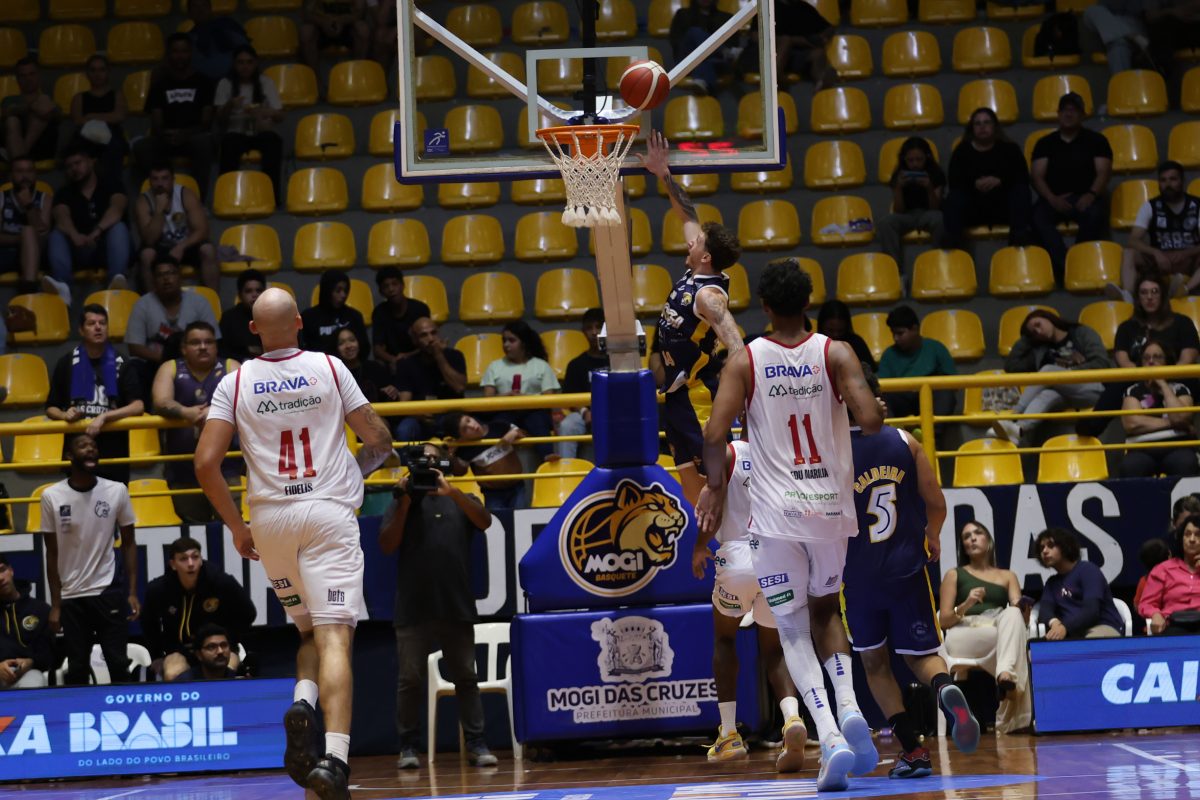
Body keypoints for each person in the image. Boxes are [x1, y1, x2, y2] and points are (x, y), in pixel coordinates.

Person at [195, 288, 394, 799]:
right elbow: (378, 439)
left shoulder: (234, 382)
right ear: (300, 322)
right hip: (327, 513)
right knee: (335, 638)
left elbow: (205, 464)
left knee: (307, 632)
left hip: (270, 521)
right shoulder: (329, 367)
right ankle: (336, 760)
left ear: (253, 330)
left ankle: (303, 700)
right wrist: (358, 470)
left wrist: (237, 526)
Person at [697, 260, 884, 792]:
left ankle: (830, 734)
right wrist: (860, 406)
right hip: (830, 509)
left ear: (764, 305)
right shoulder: (835, 351)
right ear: (808, 302)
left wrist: (716, 485)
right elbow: (871, 421)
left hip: (776, 517)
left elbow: (713, 434)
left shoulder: (746, 360)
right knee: (827, 612)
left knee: (792, 629)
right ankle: (850, 707)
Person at [844, 369, 980, 776]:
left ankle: (914, 750)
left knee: (874, 663)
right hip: (907, 567)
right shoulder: (907, 441)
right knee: (922, 656)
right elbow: (936, 504)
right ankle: (945, 687)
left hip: (857, 574)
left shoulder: (831, 451)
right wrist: (933, 535)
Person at [379, 442, 499, 769]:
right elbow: (386, 544)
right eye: (424, 459)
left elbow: (485, 522)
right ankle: (408, 747)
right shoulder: (402, 501)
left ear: (444, 465)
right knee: (410, 681)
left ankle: (476, 743)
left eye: (435, 459)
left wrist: (453, 493)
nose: (429, 464)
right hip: (413, 606)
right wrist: (405, 501)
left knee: (466, 677)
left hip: (455, 603)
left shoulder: (462, 497)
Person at [691, 437, 806, 771]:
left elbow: (711, 505)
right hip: (777, 556)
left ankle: (728, 733)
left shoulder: (730, 452)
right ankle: (792, 718)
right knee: (775, 649)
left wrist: (699, 547)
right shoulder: (783, 451)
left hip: (738, 556)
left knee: (725, 639)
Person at [642, 130, 744, 505]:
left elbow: (737, 346)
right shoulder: (696, 271)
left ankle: (734, 538)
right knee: (690, 486)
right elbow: (687, 213)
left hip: (699, 396)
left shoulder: (708, 295)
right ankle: (704, 539)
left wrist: (739, 395)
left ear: (706, 257)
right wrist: (663, 173)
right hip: (676, 397)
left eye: (698, 242)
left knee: (717, 487)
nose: (691, 241)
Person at [41, 433, 139, 686]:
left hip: (108, 590)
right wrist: (56, 604)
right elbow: (51, 553)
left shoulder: (116, 490)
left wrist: (131, 592)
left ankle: (123, 709)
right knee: (77, 668)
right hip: (71, 595)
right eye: (83, 446)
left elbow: (128, 542)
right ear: (69, 456)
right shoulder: (51, 496)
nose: (90, 449)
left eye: (94, 446)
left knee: (118, 663)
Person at [939, 521, 1033, 734]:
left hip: (998, 633)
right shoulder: (954, 574)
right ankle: (1013, 714)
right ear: (963, 547)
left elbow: (1018, 614)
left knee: (1012, 613)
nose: (972, 538)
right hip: (964, 633)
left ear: (988, 540)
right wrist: (966, 604)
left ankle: (1005, 675)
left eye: (977, 533)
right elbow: (943, 621)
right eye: (966, 536)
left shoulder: (1008, 576)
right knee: (1017, 650)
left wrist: (1024, 613)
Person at [1081, 273, 1200, 437]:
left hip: (1175, 376)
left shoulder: (1182, 323)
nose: (1149, 297)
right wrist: (1146, 375)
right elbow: (1123, 361)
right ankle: (1091, 428)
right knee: (1116, 385)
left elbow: (1188, 358)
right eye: (1144, 292)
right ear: (1138, 298)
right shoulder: (1127, 327)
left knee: (1192, 380)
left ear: (1162, 295)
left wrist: (1163, 376)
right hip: (1138, 377)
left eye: (1154, 291)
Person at [46, 305, 145, 485]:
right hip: (77, 453)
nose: (98, 327)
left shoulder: (123, 362)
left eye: (102, 323)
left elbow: (138, 406)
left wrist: (105, 416)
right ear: (81, 330)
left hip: (113, 454)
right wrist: (64, 415)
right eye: (91, 323)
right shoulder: (66, 362)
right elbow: (51, 407)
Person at [152, 321, 241, 521]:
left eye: (208, 342)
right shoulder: (171, 367)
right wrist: (185, 412)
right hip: (183, 467)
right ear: (184, 348)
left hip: (226, 466)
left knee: (231, 524)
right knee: (193, 527)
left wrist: (215, 411)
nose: (203, 347)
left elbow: (245, 400)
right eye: (195, 342)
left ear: (216, 346)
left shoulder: (231, 366)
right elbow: (161, 401)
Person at [142, 537, 256, 680]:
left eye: (195, 557)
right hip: (180, 650)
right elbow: (148, 623)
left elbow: (248, 613)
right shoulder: (159, 589)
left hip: (218, 647)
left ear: (201, 560)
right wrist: (157, 656)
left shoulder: (221, 582)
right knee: (172, 673)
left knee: (226, 671)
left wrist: (230, 640)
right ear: (173, 564)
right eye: (183, 559)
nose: (191, 564)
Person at [1030, 92, 1113, 285]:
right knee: (1037, 217)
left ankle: (1077, 261)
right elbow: (1037, 176)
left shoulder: (1097, 141)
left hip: (1084, 197)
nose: (1068, 114)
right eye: (1064, 110)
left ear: (1082, 115)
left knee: (1094, 215)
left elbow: (1103, 172)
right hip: (1053, 198)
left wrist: (1090, 195)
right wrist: (1052, 199)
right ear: (1058, 114)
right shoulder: (1045, 143)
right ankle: (1066, 266)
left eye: (1074, 110)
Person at [1002, 309, 1110, 444]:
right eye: (1034, 333)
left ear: (1048, 317)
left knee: (1048, 370)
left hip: (1092, 388)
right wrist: (1027, 338)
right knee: (1047, 394)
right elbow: (1011, 366)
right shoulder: (1041, 350)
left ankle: (1013, 416)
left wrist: (1069, 372)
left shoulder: (1081, 333)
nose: (1039, 331)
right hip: (1064, 395)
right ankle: (1018, 429)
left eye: (1038, 324)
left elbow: (1102, 363)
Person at [135, 34, 215, 202]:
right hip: (166, 137)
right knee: (142, 147)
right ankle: (154, 199)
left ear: (191, 53)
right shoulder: (159, 84)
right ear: (169, 54)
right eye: (175, 51)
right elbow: (156, 122)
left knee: (204, 143)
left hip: (193, 136)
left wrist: (186, 134)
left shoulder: (204, 82)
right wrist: (166, 134)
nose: (180, 56)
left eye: (184, 51)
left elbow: (206, 122)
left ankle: (197, 201)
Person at [1108, 161, 1200, 303]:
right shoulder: (1150, 206)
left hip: (1189, 260)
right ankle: (1128, 295)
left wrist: (1185, 253)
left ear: (1182, 181)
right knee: (1129, 252)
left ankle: (1185, 289)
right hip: (1161, 261)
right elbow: (1133, 240)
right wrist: (1156, 253)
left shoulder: (1197, 205)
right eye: (1163, 180)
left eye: (1173, 179)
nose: (1168, 184)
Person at [944, 107, 1033, 249]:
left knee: (1021, 191)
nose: (982, 127)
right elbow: (954, 181)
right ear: (972, 128)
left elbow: (1022, 177)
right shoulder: (962, 151)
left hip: (1003, 206)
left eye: (986, 122)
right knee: (954, 198)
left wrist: (999, 181)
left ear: (994, 126)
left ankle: (1019, 243)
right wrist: (974, 184)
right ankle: (953, 248)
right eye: (977, 123)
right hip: (973, 207)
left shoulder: (1010, 149)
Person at [49, 141, 130, 287]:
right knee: (56, 234)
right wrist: (74, 235)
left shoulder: (112, 184)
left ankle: (116, 284)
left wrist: (97, 231)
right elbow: (61, 216)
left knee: (119, 228)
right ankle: (62, 287)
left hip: (107, 247)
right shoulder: (63, 193)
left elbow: (117, 209)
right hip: (79, 248)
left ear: (91, 162)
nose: (74, 169)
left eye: (78, 163)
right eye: (69, 166)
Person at [215, 45, 285, 207]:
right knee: (229, 144)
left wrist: (264, 112)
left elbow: (280, 115)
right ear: (234, 64)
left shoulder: (266, 82)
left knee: (273, 141)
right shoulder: (225, 83)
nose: (245, 66)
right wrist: (230, 105)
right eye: (240, 62)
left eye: (249, 62)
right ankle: (227, 198)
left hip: (260, 131)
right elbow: (219, 119)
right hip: (235, 132)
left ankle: (272, 197)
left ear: (255, 63)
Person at [1119, 339, 1199, 478]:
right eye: (1146, 358)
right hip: (1141, 448)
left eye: (1157, 357)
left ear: (1166, 362)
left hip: (1177, 447)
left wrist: (1163, 385)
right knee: (1130, 466)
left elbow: (1181, 417)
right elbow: (1132, 423)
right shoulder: (1133, 391)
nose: (1151, 362)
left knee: (1187, 463)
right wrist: (1173, 423)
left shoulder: (1180, 389)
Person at [481, 320, 560, 461]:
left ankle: (548, 455)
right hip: (505, 411)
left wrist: (525, 399)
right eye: (504, 340)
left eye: (511, 340)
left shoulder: (541, 365)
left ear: (523, 342)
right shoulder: (494, 366)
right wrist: (507, 396)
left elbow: (549, 398)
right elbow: (487, 400)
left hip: (534, 411)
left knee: (538, 420)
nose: (506, 345)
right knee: (499, 422)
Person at [134, 162, 219, 291]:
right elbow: (149, 240)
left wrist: (181, 247)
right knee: (146, 255)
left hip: (186, 245)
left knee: (208, 249)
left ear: (172, 179)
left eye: (165, 178)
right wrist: (159, 211)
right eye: (155, 179)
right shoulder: (143, 201)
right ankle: (151, 301)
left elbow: (203, 230)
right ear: (149, 181)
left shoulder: (185, 194)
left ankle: (213, 299)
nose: (160, 184)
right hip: (160, 248)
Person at [127, 256, 221, 366]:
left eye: (171, 273)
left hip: (196, 363)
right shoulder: (142, 304)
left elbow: (214, 339)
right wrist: (168, 361)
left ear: (180, 277)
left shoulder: (199, 302)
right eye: (160, 275)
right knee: (134, 365)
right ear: (153, 280)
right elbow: (134, 347)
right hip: (155, 364)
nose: (166, 278)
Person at [1036, 527, 1125, 639]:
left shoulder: (1088, 570)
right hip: (1073, 633)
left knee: (1089, 644)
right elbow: (1045, 611)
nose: (1044, 551)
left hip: (1103, 627)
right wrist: (1054, 623)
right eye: (1042, 548)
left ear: (1065, 546)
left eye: (1051, 545)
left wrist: (1065, 627)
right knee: (1036, 648)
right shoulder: (1052, 583)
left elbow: (1091, 611)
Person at [878, 305, 958, 422]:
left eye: (900, 333)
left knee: (946, 395)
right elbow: (882, 388)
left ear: (915, 329)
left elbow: (953, 383)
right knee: (883, 398)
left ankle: (933, 432)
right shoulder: (888, 354)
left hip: (931, 399)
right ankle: (895, 431)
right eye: (893, 334)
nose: (896, 338)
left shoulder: (936, 348)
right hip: (901, 401)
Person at [393, 316, 467, 443]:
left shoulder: (455, 356)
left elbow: (459, 387)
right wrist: (417, 414)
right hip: (420, 418)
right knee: (404, 429)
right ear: (415, 340)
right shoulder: (406, 364)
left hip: (450, 416)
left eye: (434, 333)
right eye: (424, 335)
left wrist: (438, 355)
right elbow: (404, 401)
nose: (431, 339)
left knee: (464, 425)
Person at [878, 137, 946, 266]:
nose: (915, 164)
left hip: (928, 213)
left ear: (927, 157)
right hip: (907, 215)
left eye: (919, 160)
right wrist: (898, 188)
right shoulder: (899, 175)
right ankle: (895, 269)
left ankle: (938, 263)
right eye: (910, 160)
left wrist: (929, 188)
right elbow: (898, 210)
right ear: (904, 159)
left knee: (941, 219)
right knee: (885, 223)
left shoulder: (936, 174)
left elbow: (935, 207)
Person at [442, 412, 529, 510]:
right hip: (493, 493)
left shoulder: (499, 426)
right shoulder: (466, 449)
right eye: (465, 429)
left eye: (469, 420)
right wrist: (451, 454)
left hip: (517, 486)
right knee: (496, 518)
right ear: (461, 438)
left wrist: (515, 433)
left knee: (520, 516)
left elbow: (526, 437)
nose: (472, 426)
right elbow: (459, 472)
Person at [557, 308, 609, 460]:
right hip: (586, 414)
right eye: (589, 328)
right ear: (583, 331)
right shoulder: (576, 364)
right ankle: (566, 469)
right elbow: (569, 397)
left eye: (598, 327)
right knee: (567, 425)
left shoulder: (619, 360)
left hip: (615, 411)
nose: (594, 332)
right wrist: (584, 412)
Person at [70, 55, 128, 184]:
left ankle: (114, 188)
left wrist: (91, 116)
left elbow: (119, 116)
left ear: (108, 72)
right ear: (87, 73)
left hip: (112, 138)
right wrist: (107, 117)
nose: (97, 74)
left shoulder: (117, 95)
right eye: (93, 70)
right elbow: (78, 120)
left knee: (113, 143)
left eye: (102, 70)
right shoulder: (79, 97)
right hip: (86, 139)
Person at [1139, 515, 1200, 635]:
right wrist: (1155, 614)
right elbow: (1146, 603)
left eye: (1198, 535)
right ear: (1181, 538)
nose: (1192, 539)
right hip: (1173, 626)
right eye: (1187, 534)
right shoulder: (1163, 570)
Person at [0, 156, 53, 295]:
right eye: (20, 171)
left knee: (29, 231)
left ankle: (28, 291)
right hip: (7, 252)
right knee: (27, 233)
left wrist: (29, 206)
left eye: (29, 171)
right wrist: (21, 239)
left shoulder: (45, 198)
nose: (25, 176)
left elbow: (42, 232)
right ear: (11, 175)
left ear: (35, 174)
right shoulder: (2, 197)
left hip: (38, 254)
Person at [0, 552, 53, 690]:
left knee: (34, 681)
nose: (0, 578)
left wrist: (31, 662)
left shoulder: (40, 610)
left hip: (29, 673)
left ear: (11, 570)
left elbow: (49, 655)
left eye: (2, 570)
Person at [668, 0, 733, 95]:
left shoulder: (726, 18)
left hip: (717, 62)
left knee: (705, 59)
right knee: (694, 32)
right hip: (688, 60)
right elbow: (676, 42)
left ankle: (701, 81)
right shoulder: (683, 14)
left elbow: (732, 43)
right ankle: (722, 50)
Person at [2, 57, 60, 164]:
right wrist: (32, 107)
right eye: (23, 76)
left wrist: (31, 108)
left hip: (42, 149)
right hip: (13, 145)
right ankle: (22, 160)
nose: (28, 79)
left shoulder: (48, 100)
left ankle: (20, 160)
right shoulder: (9, 100)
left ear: (39, 75)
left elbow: (49, 113)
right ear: (17, 79)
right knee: (12, 121)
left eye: (32, 74)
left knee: (41, 111)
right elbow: (7, 111)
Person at [371, 267, 431, 369]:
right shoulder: (379, 312)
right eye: (386, 286)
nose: (391, 289)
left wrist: (406, 357)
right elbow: (377, 348)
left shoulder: (420, 309)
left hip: (418, 358)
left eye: (395, 284)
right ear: (381, 291)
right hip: (392, 362)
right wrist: (394, 360)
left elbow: (427, 342)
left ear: (402, 285)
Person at [302, 269, 371, 357]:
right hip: (320, 364)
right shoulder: (308, 317)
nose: (343, 295)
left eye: (345, 291)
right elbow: (304, 351)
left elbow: (364, 349)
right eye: (338, 291)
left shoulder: (354, 316)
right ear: (327, 291)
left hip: (349, 364)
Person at [1080, 0, 1152, 74]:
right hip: (1106, 22)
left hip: (1131, 23)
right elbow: (1102, 8)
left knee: (1118, 46)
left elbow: (1149, 13)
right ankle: (1131, 35)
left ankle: (1121, 81)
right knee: (1092, 10)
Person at [775, 0, 834, 90]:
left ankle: (821, 86)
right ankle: (776, 77)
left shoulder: (804, 8)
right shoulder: (768, 9)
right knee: (785, 42)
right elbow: (755, 35)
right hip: (772, 53)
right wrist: (795, 40)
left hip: (798, 55)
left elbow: (828, 28)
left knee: (819, 53)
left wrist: (823, 37)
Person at [187, 0, 249, 82]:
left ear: (210, 9)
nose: (200, 9)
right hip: (202, 84)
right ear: (189, 13)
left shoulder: (228, 26)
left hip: (234, 81)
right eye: (195, 6)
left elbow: (246, 53)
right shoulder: (187, 40)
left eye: (204, 5)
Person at [336, 328, 400, 405]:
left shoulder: (375, 368)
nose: (348, 346)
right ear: (336, 348)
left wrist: (392, 392)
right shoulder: (334, 375)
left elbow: (392, 399)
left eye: (352, 340)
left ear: (359, 342)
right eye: (341, 343)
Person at [300, 0, 370, 70]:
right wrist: (323, 22)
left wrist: (342, 21)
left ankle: (358, 71)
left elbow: (360, 14)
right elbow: (307, 14)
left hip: (347, 24)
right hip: (321, 25)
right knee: (306, 32)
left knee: (363, 30)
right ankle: (313, 73)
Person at [816, 299, 876, 372]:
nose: (835, 335)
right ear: (822, 327)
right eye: (830, 330)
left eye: (840, 331)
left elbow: (870, 371)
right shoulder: (814, 345)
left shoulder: (856, 343)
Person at [221, 269, 266, 363]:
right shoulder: (229, 318)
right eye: (248, 291)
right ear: (240, 295)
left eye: (259, 290)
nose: (254, 295)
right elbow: (223, 352)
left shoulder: (274, 315)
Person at [173, 624, 239, 680]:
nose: (220, 651)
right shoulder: (185, 683)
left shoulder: (236, 680)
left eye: (224, 645)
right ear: (199, 655)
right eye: (212, 647)